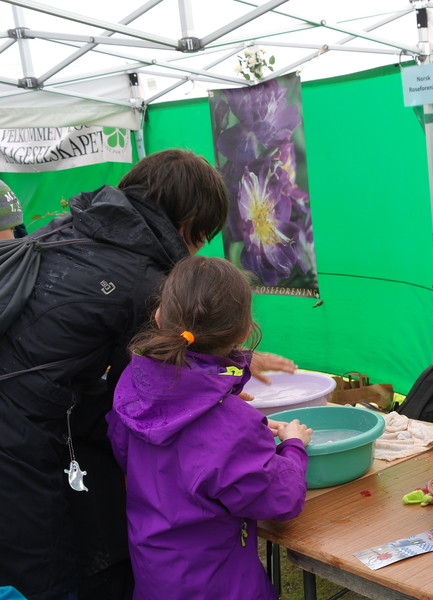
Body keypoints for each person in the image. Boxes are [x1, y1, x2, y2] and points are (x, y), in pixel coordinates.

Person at [0, 149, 295, 600]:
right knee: (63, 570)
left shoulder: (80, 229)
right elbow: (150, 401)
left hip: (28, 422)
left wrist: (232, 366)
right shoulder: (143, 276)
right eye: (203, 235)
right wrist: (217, 408)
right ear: (188, 222)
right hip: (31, 446)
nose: (198, 248)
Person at [107, 255, 312, 600]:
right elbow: (281, 499)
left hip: (156, 574)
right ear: (245, 331)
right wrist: (293, 446)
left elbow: (134, 447)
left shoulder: (133, 385)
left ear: (159, 316)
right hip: (220, 584)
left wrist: (234, 421)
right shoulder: (233, 423)